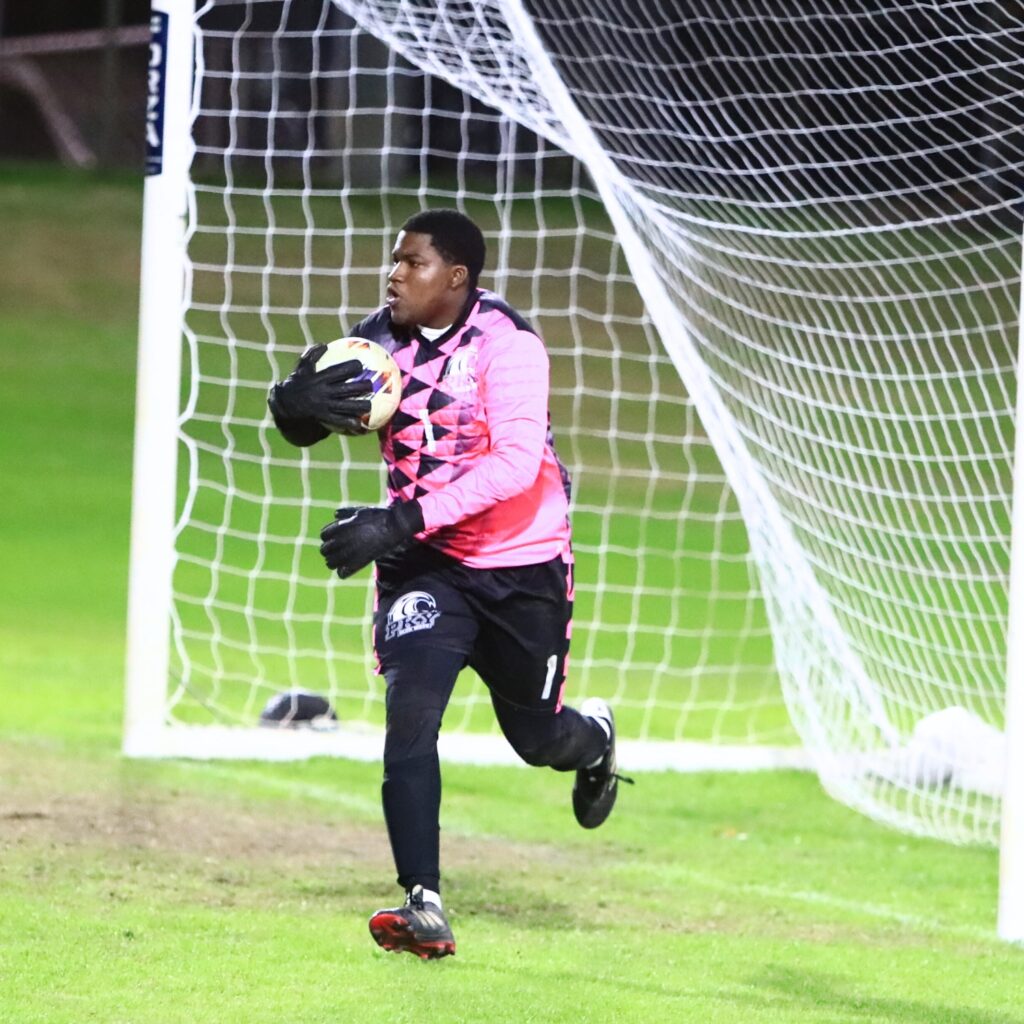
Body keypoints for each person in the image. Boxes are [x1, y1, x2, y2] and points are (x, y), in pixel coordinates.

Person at [268, 209, 628, 960]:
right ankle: (422, 903)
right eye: (395, 260)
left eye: (413, 263)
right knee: (412, 714)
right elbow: (317, 414)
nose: (394, 274)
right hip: (425, 569)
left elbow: (515, 466)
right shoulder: (376, 343)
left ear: (456, 278)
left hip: (520, 566)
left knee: (536, 738)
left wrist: (399, 520)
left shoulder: (508, 344)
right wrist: (290, 404)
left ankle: (594, 741)